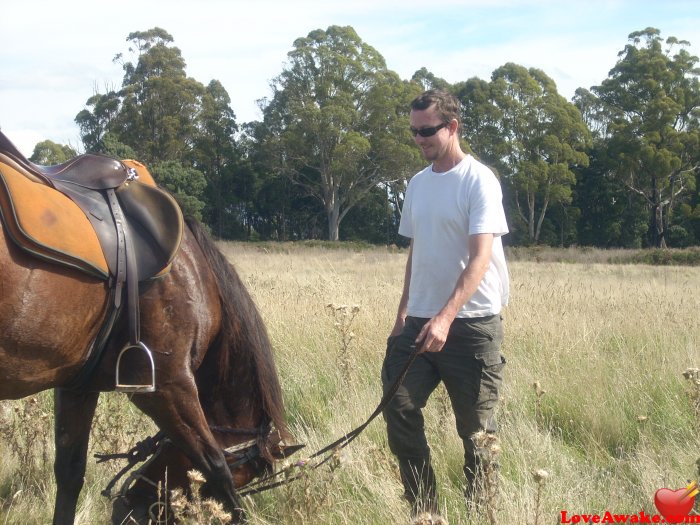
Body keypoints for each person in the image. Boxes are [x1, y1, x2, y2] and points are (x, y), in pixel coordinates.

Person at [381, 89, 509, 517]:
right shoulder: (417, 185)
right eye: (414, 131)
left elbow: (480, 258)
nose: (419, 139)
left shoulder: (479, 180)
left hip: (470, 326)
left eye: (427, 130)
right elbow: (417, 251)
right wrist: (403, 312)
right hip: (418, 321)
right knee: (397, 407)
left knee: (476, 434)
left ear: (452, 127)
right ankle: (425, 511)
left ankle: (479, 513)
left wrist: (445, 317)